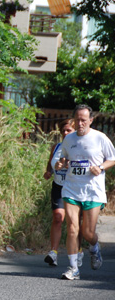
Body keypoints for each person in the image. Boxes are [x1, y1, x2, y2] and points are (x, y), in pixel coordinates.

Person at [54, 104, 115, 280]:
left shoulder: (99, 138)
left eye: (83, 120)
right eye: (77, 120)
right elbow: (64, 158)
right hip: (72, 188)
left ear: (90, 120)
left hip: (93, 191)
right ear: (74, 120)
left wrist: (101, 167)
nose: (80, 123)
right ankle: (73, 268)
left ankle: (94, 247)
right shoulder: (69, 139)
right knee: (72, 227)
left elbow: (113, 158)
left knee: (88, 233)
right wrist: (61, 164)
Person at [43, 118, 80, 267]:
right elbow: (51, 162)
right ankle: (54, 253)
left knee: (75, 222)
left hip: (75, 187)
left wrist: (70, 164)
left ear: (74, 131)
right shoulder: (57, 146)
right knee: (58, 217)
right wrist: (48, 171)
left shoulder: (79, 147)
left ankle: (78, 250)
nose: (65, 133)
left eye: (68, 130)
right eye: (63, 130)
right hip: (59, 186)